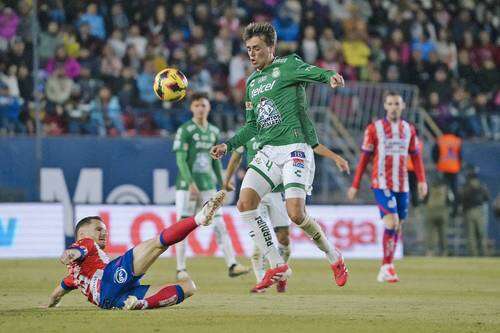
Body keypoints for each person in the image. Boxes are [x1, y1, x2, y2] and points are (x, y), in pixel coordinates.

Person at [211, 22, 348, 292]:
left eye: (257, 49)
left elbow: (314, 72)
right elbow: (252, 125)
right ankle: (276, 264)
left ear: (271, 48)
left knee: (296, 214)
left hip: (296, 147)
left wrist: (330, 76)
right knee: (245, 203)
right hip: (268, 151)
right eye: (249, 49)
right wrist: (228, 145)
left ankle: (334, 256)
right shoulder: (251, 83)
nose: (252, 54)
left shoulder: (287, 65)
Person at [45, 190, 226, 310]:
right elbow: (75, 251)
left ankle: (140, 304)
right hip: (110, 279)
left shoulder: (75, 277)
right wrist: (69, 254)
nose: (103, 234)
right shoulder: (86, 243)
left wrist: (49, 306)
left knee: (188, 287)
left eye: (106, 231)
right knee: (158, 243)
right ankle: (200, 218)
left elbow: (57, 293)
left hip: (109, 301)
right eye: (99, 230)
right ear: (83, 233)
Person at [223, 137, 349, 293]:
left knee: (285, 238)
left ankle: (285, 273)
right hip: (258, 194)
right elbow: (235, 157)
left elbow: (313, 142)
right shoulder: (249, 132)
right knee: (257, 246)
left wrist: (335, 157)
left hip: (277, 194)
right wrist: (226, 180)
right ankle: (262, 283)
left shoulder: (284, 130)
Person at [347, 91, 427, 283]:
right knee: (392, 221)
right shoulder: (374, 129)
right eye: (390, 104)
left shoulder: (409, 129)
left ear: (403, 106)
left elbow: (415, 156)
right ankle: (387, 267)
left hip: (403, 183)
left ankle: (386, 266)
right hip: (381, 182)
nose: (393, 107)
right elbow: (364, 158)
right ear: (384, 106)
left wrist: (422, 180)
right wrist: (355, 184)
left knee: (398, 225)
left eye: (397, 104)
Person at [173, 92, 249, 281]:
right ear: (192, 108)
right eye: (197, 105)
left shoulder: (214, 131)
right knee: (182, 225)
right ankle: (180, 268)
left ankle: (232, 264)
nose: (200, 108)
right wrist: (189, 182)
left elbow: (215, 161)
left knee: (219, 224)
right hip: (187, 186)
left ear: (209, 107)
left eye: (203, 105)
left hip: (207, 185)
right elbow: (180, 159)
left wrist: (223, 181)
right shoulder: (185, 130)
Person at [461, 167, 490, 256]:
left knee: (471, 235)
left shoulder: (466, 187)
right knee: (481, 234)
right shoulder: (481, 186)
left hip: (469, 212)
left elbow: (461, 198)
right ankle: (484, 253)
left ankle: (473, 255)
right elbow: (487, 197)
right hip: (479, 211)